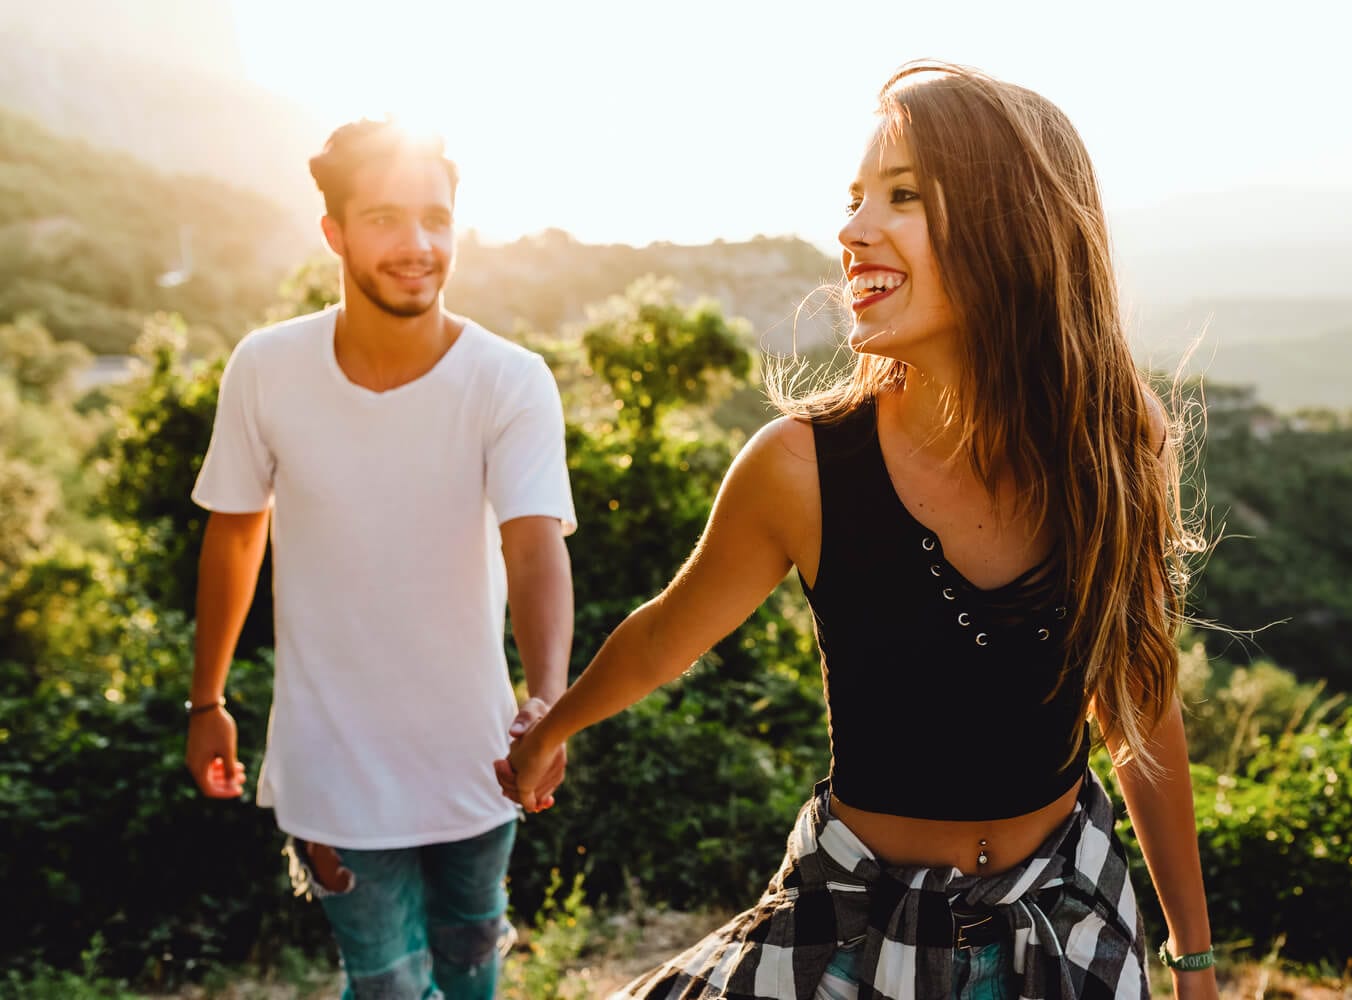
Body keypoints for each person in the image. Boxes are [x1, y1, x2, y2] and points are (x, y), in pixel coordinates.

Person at [500, 61, 1218, 1000]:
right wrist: (551, 726)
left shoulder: (1118, 441)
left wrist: (1193, 962)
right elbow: (668, 630)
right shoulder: (800, 468)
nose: (850, 230)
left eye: (905, 195)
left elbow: (1140, 701)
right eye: (855, 199)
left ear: (1015, 229)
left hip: (1067, 924)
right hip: (853, 928)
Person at [185, 118, 576, 1000]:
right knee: (389, 988)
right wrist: (207, 698)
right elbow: (236, 531)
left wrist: (548, 700)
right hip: (332, 768)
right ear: (334, 232)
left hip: (478, 760)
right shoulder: (267, 368)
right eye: (387, 219)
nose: (419, 245)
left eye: (436, 219)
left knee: (473, 973)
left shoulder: (509, 380)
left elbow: (534, 540)